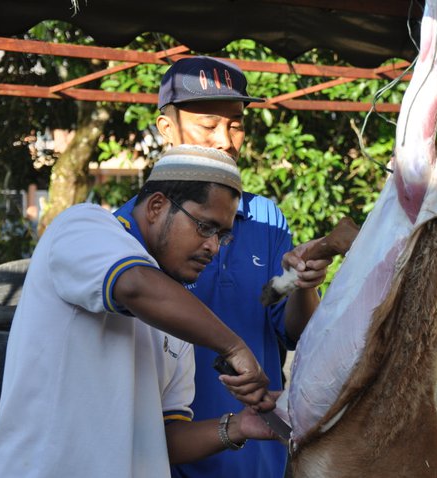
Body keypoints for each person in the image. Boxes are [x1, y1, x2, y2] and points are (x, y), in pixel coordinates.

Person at [0, 145, 276, 478]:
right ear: (157, 206)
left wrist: (237, 427)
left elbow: (163, 440)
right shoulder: (84, 226)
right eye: (205, 227)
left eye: (222, 236)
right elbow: (133, 285)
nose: (213, 247)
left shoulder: (176, 316)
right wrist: (234, 346)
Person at [156, 56, 331, 478]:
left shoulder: (267, 218)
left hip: (261, 454)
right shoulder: (141, 226)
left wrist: (303, 284)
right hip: (169, 459)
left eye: (235, 124)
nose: (226, 140)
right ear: (166, 128)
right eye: (208, 125)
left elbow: (293, 332)